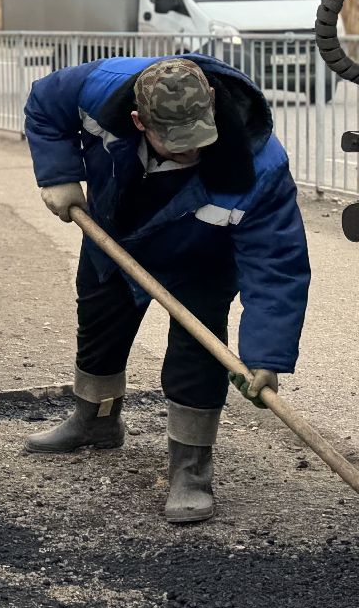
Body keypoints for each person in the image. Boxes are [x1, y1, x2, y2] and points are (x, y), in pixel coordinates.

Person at [23, 55, 309, 523]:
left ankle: (190, 469)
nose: (188, 153)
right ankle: (95, 423)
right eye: (173, 144)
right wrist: (57, 174)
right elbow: (44, 104)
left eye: (197, 140)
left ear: (212, 102)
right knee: (99, 327)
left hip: (202, 258)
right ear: (138, 120)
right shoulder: (100, 90)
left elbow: (277, 263)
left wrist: (266, 357)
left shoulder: (260, 164)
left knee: (196, 352)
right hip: (116, 232)